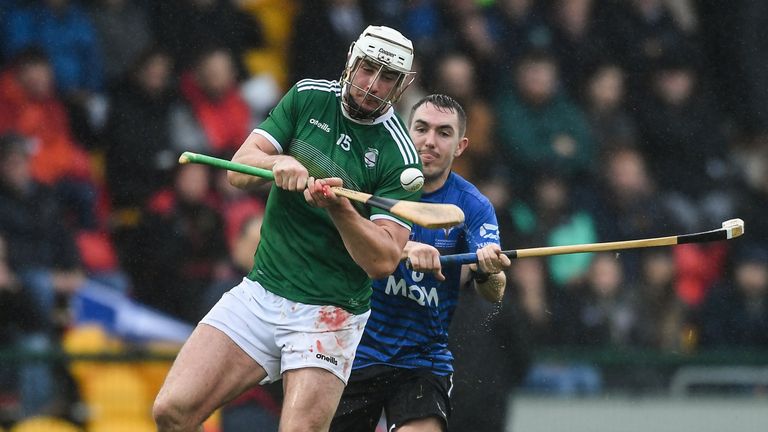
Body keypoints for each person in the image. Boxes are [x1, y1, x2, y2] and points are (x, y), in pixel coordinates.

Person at [152, 25, 420, 432]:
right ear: (351, 60)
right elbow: (240, 170)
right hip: (262, 291)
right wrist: (277, 164)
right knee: (171, 411)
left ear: (403, 86)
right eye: (367, 69)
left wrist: (341, 210)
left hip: (330, 313)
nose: (371, 85)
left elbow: (383, 260)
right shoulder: (307, 96)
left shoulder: (400, 157)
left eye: (387, 77)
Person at [330, 94, 512, 432]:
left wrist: (488, 269)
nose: (430, 141)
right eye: (421, 129)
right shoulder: (370, 183)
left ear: (460, 145)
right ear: (404, 130)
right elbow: (337, 244)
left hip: (422, 360)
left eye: (444, 133)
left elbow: (494, 293)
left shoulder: (473, 205)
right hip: (354, 348)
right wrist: (404, 248)